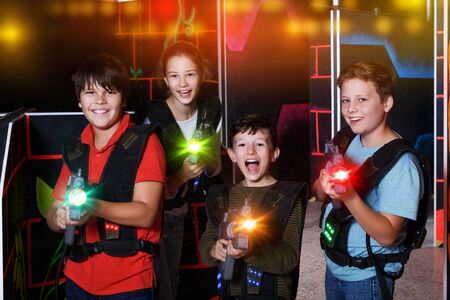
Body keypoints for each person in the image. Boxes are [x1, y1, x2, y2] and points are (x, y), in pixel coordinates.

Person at [46, 53, 165, 299]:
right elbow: (53, 211)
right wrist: (58, 218)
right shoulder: (77, 148)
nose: (100, 101)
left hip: (130, 283)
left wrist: (91, 206)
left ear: (123, 99)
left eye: (109, 91)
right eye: (90, 93)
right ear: (79, 100)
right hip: (77, 279)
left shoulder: (144, 143)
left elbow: (146, 213)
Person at [312, 61, 424, 300]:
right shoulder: (345, 140)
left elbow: (387, 235)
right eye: (345, 100)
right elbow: (321, 196)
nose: (351, 108)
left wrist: (350, 196)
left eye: (362, 100)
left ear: (386, 103)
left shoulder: (401, 163)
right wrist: (322, 186)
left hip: (367, 277)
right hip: (335, 267)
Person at [143, 40, 222, 300]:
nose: (183, 83)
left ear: (201, 75)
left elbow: (214, 169)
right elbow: (139, 187)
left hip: (178, 213)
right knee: (157, 286)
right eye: (175, 76)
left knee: (171, 283)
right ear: (165, 79)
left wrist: (208, 160)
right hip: (150, 217)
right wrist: (181, 176)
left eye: (190, 74)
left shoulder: (210, 110)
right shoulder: (152, 117)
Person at [199, 113, 308, 300]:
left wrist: (251, 251)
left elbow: (289, 258)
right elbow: (206, 242)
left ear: (274, 154)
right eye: (242, 144)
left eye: (259, 144)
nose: (250, 151)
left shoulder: (287, 197)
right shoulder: (222, 197)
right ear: (232, 154)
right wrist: (213, 249)